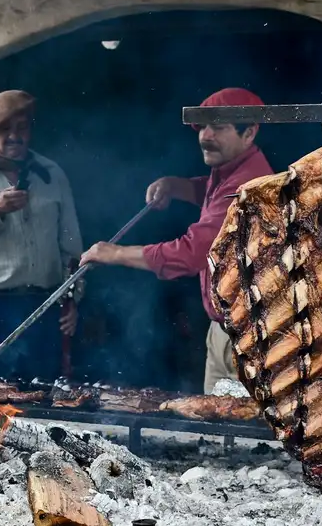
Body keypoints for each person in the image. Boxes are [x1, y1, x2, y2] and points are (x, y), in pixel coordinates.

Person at [79, 87, 274, 393]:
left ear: (249, 133)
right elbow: (214, 198)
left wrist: (114, 253)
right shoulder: (230, 173)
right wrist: (177, 187)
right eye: (202, 127)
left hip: (246, 338)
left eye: (218, 128)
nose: (205, 136)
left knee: (243, 433)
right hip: (225, 332)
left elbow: (193, 253)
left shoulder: (245, 185)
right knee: (218, 432)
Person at [0, 89, 83, 382]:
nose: (14, 136)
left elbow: (71, 249)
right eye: (4, 129)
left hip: (42, 307)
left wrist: (71, 299)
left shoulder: (52, 174)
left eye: (21, 128)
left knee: (43, 402)